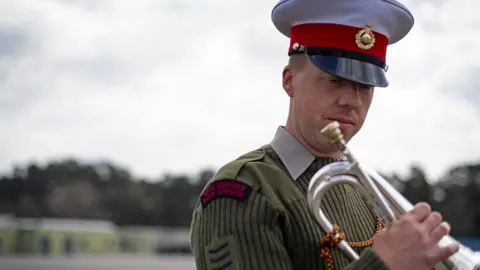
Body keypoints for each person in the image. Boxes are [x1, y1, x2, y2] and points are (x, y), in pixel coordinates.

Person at [189, 0, 461, 269]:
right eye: (334, 80)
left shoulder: (368, 193)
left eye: (365, 87)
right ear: (289, 80)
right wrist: (383, 264)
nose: (352, 101)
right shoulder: (241, 191)